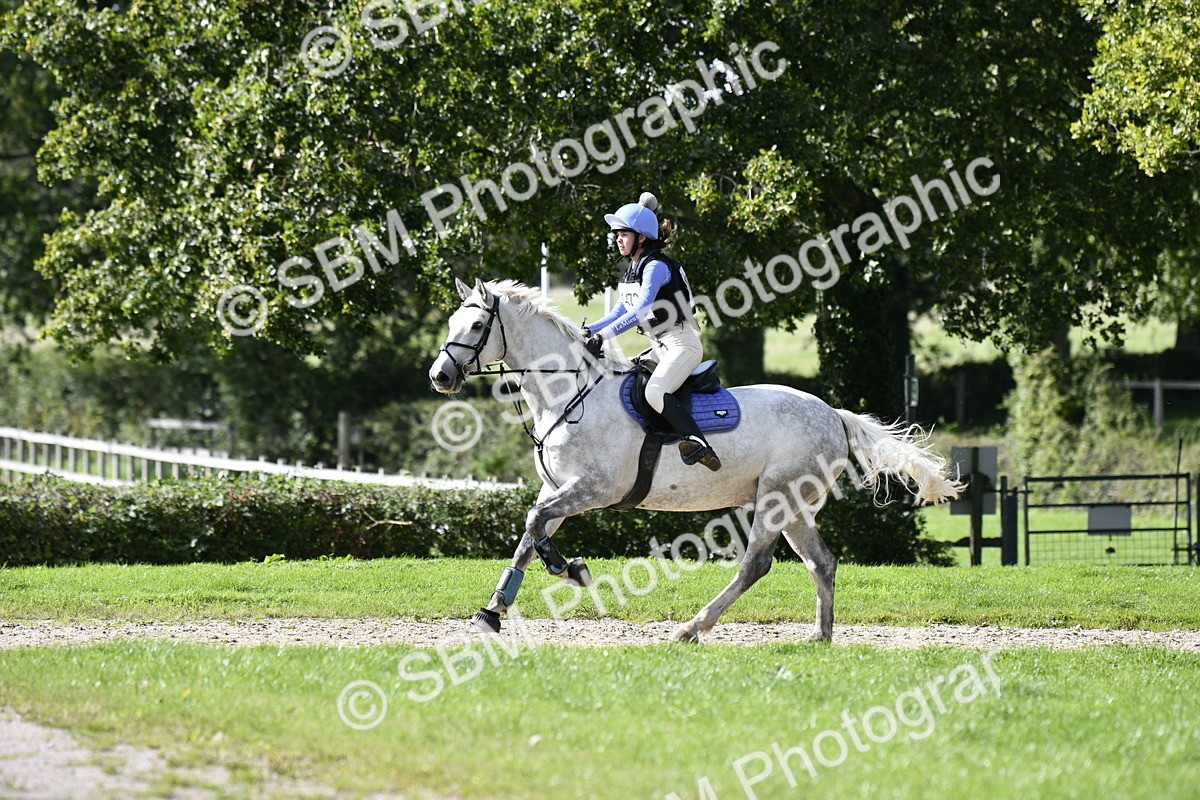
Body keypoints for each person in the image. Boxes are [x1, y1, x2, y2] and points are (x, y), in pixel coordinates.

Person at [584, 192, 721, 471]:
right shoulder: (633, 270)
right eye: (617, 234)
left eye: (623, 234)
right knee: (624, 381)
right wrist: (586, 330)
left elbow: (639, 312)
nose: (618, 239)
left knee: (655, 392)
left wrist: (603, 337)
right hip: (659, 345)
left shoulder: (656, 266)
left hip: (682, 344)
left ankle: (698, 442)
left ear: (641, 237)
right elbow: (619, 311)